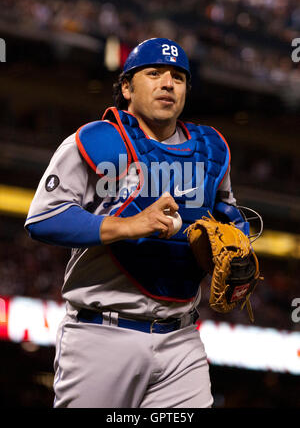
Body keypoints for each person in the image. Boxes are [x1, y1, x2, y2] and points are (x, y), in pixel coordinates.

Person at [25, 37, 247, 408]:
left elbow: (230, 219)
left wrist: (236, 249)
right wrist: (128, 226)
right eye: (154, 73)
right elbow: (44, 217)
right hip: (102, 332)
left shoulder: (211, 151)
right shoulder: (98, 140)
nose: (167, 83)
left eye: (178, 76)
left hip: (181, 338)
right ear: (126, 87)